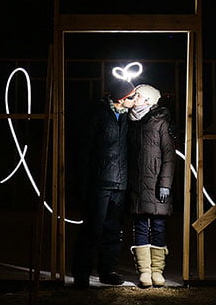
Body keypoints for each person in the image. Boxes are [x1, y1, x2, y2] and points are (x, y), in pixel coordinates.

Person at [71, 77, 137, 288]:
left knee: (113, 230)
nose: (135, 100)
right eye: (132, 97)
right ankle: (82, 273)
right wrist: (83, 181)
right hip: (99, 183)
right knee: (92, 229)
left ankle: (107, 270)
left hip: (120, 182)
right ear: (121, 99)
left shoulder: (128, 118)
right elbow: (84, 149)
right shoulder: (98, 114)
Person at [127, 83, 176, 288]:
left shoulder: (160, 123)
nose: (134, 98)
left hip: (156, 185)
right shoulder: (131, 122)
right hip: (137, 184)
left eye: (137, 95)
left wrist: (165, 184)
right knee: (139, 227)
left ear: (148, 101)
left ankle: (157, 271)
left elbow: (169, 156)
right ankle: (145, 272)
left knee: (157, 227)